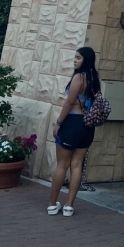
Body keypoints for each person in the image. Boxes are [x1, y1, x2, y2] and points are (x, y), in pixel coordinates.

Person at [47, 46, 100, 216]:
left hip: (73, 122)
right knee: (77, 164)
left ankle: (52, 204)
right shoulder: (94, 78)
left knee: (62, 165)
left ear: (86, 60)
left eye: (78, 57)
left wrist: (58, 123)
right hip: (87, 126)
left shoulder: (79, 77)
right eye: (75, 57)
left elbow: (70, 102)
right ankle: (69, 206)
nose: (75, 60)